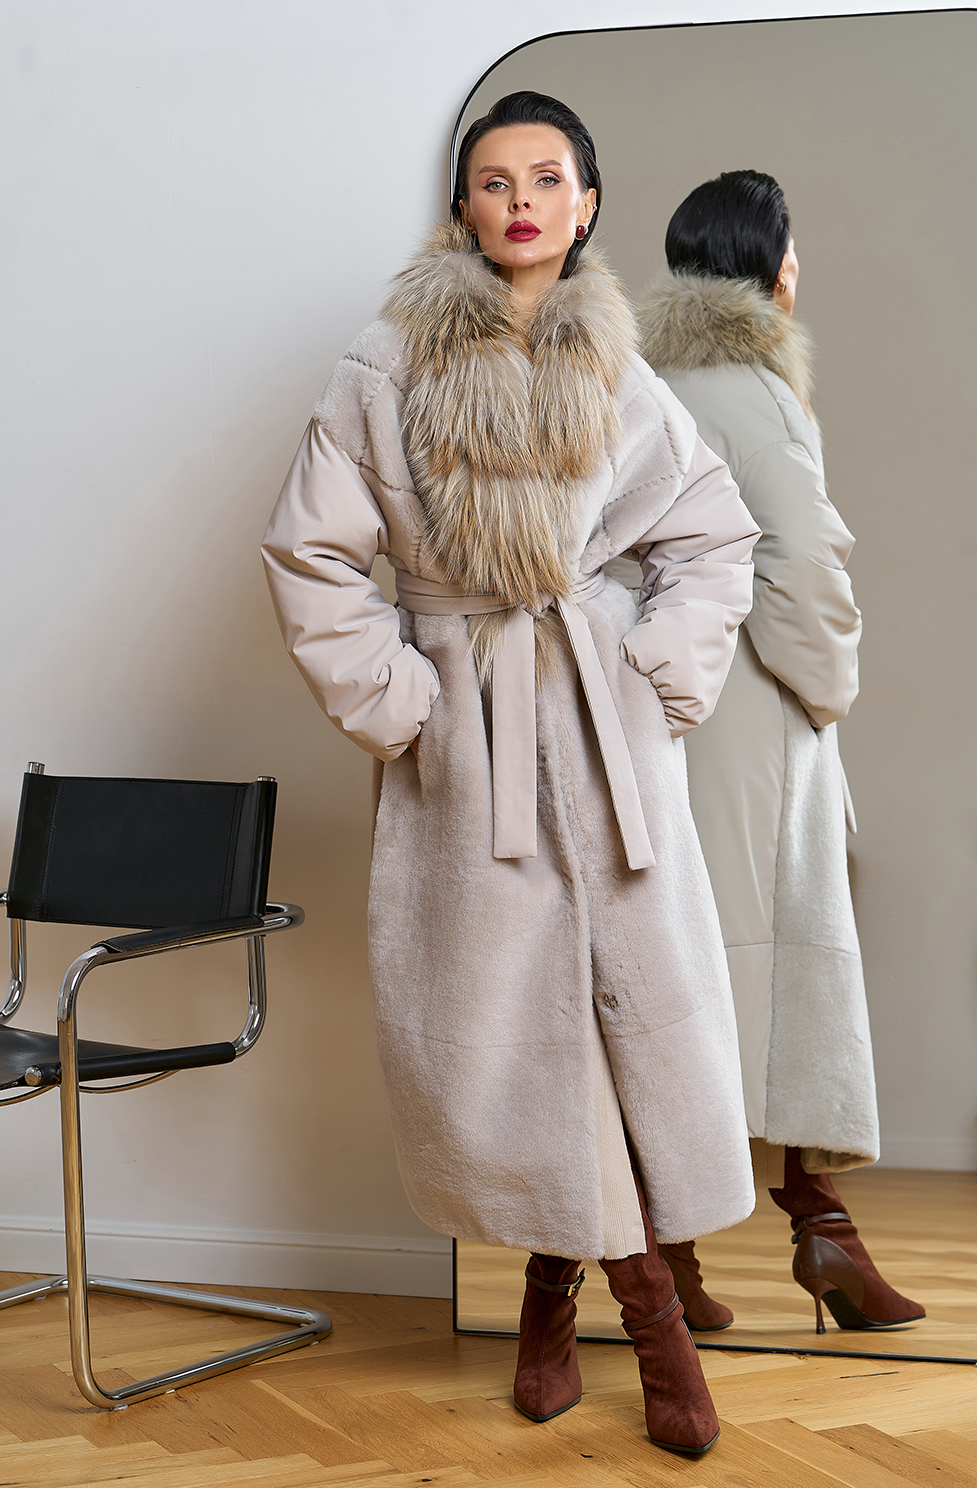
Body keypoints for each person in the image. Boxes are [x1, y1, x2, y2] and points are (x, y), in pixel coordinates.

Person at [262, 94, 762, 1457]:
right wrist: (405, 701)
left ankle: (552, 1293)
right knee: (514, 1027)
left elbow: (712, 535)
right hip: (467, 741)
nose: (522, 201)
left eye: (548, 179)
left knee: (623, 1018)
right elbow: (311, 553)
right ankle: (650, 1319)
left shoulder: (620, 367)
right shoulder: (385, 363)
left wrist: (656, 674)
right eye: (494, 180)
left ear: (586, 205)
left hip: (604, 738)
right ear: (463, 207)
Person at [627, 169, 924, 1335]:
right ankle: (816, 1228)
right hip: (752, 711)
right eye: (791, 247)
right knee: (776, 973)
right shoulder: (752, 390)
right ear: (768, 263)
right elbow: (801, 560)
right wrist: (827, 690)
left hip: (660, 712)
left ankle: (681, 1256)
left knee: (681, 976)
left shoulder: (639, 381)